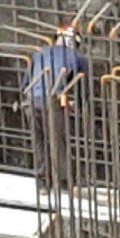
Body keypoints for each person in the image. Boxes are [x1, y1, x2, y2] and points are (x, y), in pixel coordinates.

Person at [21, 26, 89, 194]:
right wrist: (78, 106)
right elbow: (81, 87)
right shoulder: (77, 57)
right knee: (58, 142)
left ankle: (43, 184)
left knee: (39, 142)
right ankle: (65, 182)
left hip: (31, 101)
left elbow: (25, 83)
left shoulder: (39, 53)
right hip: (52, 101)